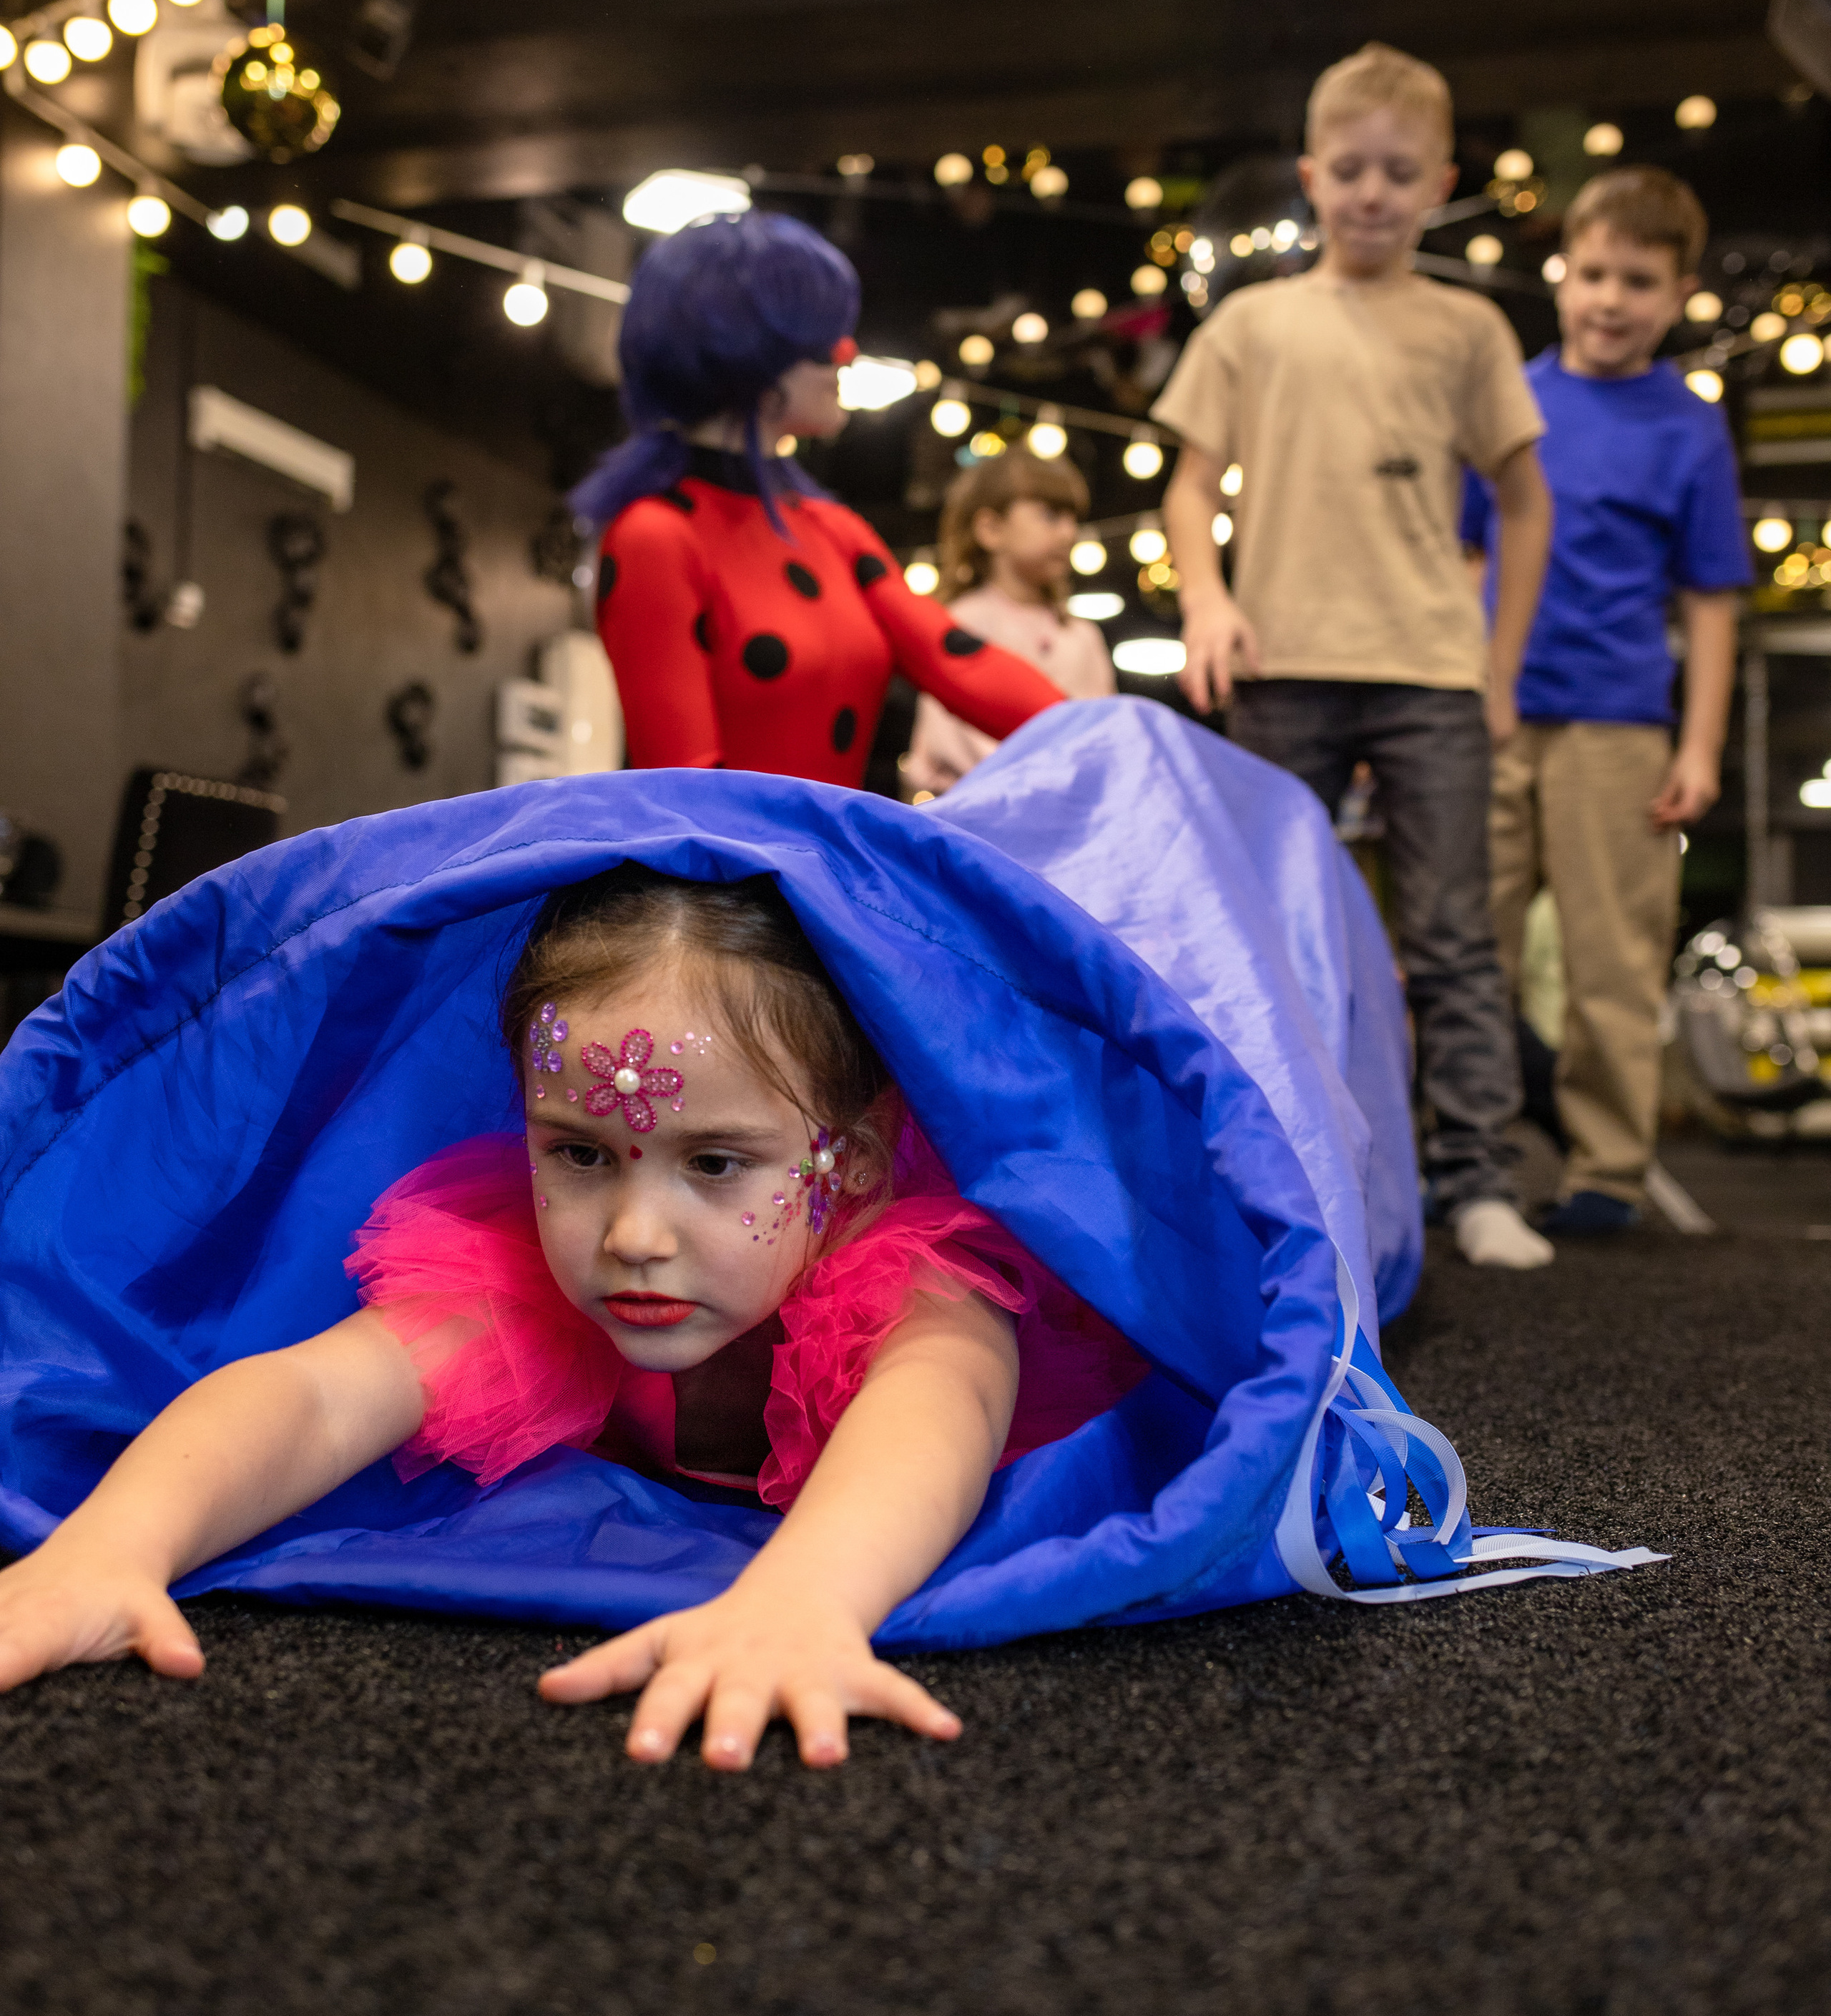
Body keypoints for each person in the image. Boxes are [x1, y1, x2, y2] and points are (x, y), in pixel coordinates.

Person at [0, 713, 1653, 1762]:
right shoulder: (523, 1261)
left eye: (717, 1161)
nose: (633, 1228)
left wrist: (802, 1600)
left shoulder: (912, 1268)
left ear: (848, 1161)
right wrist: (107, 1546)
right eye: (578, 1150)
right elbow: (306, 1395)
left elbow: (928, 1419)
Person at [1156, 41, 1556, 1272]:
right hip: (1281, 664)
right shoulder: (1250, 323)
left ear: (1440, 179)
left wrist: (1499, 666)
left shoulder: (1471, 326)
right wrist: (1207, 601)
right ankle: (1287, 1170)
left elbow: (1527, 500)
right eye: (1349, 169)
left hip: (1432, 668)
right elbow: (1188, 485)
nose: (1373, 191)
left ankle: (1477, 1179)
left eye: (1398, 170)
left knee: (1452, 935)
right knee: (1274, 936)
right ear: (1310, 176)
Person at [1461, 167, 1751, 1235]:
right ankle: (1468, 1156)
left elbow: (1712, 602)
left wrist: (1702, 746)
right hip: (1488, 717)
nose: (1611, 299)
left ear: (1676, 295)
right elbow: (1459, 556)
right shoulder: (1510, 401)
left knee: (1611, 962)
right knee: (1464, 950)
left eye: (1638, 280)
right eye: (1593, 274)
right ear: (1561, 272)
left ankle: (1608, 1171)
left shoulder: (1689, 429)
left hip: (1622, 724)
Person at [571, 212, 1064, 784]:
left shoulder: (832, 530)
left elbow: (960, 662)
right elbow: (684, 786)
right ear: (744, 350)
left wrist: (1108, 736)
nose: (846, 352)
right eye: (818, 337)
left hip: (827, 860)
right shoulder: (657, 536)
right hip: (731, 868)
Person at [903, 451, 1116, 796]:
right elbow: (948, 745)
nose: (1068, 533)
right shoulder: (960, 624)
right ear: (991, 529)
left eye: (1073, 519)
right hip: (973, 819)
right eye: (1050, 515)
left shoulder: (1083, 636)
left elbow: (1102, 740)